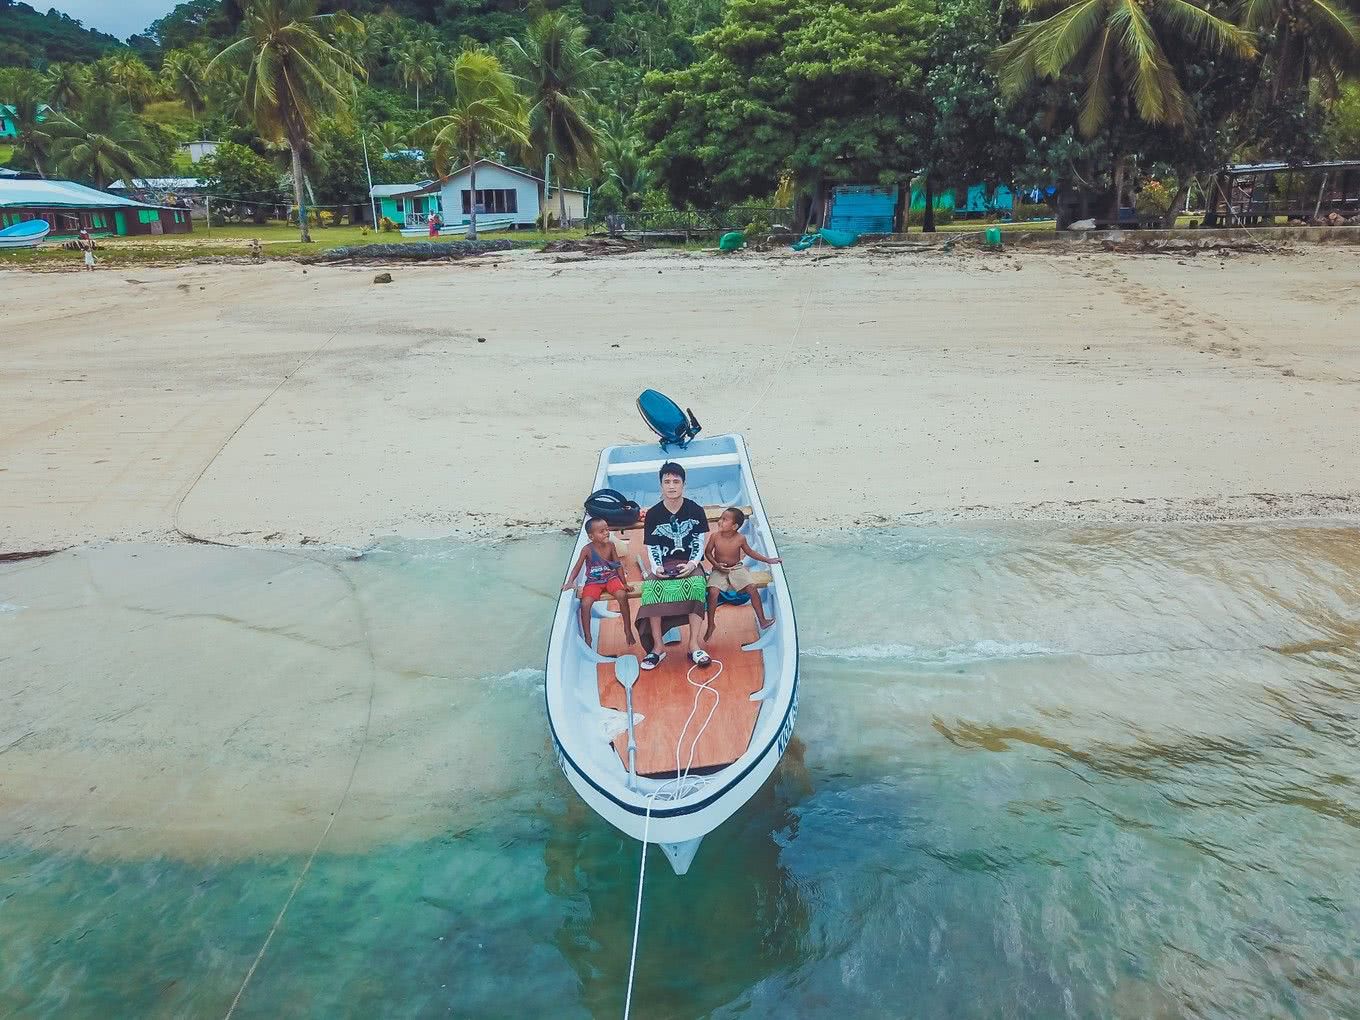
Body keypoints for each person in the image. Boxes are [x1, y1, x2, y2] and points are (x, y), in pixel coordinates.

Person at [638, 461, 711, 669]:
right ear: (661, 485)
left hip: (689, 562)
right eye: (667, 481)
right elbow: (651, 546)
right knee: (651, 589)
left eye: (676, 481)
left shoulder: (695, 510)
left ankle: (694, 645)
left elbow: (698, 541)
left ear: (683, 485)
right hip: (664, 563)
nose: (671, 486)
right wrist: (656, 568)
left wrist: (692, 564)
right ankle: (658, 648)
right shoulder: (653, 514)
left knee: (697, 585)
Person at [704, 507, 780, 640]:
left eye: (724, 520)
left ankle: (762, 620)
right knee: (713, 592)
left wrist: (768, 560)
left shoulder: (740, 538)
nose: (720, 521)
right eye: (720, 518)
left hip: (737, 568)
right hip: (718, 569)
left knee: (752, 588)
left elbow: (751, 552)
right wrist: (716, 565)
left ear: (734, 526)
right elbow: (708, 552)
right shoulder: (714, 536)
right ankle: (711, 625)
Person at [562, 517, 636, 649]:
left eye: (607, 529)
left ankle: (627, 629)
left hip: (611, 578)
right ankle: (588, 636)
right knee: (585, 603)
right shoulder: (587, 549)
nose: (606, 532)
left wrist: (624, 583)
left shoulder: (611, 546)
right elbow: (577, 566)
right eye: (601, 531)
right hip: (594, 581)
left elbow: (617, 565)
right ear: (591, 536)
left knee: (622, 595)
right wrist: (570, 582)